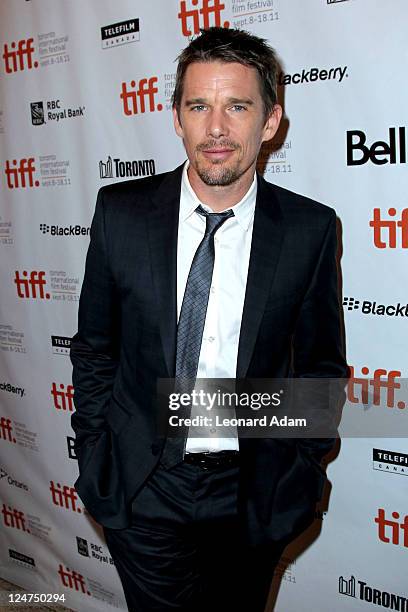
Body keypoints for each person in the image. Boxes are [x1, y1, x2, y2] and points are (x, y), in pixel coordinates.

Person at [70, 27, 347, 612]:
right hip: (142, 484)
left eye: (237, 106)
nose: (216, 128)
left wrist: (297, 464)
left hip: (251, 490)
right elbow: (96, 347)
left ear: (270, 122)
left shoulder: (309, 231)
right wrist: (96, 448)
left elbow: (320, 368)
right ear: (176, 117)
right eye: (199, 106)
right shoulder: (120, 214)